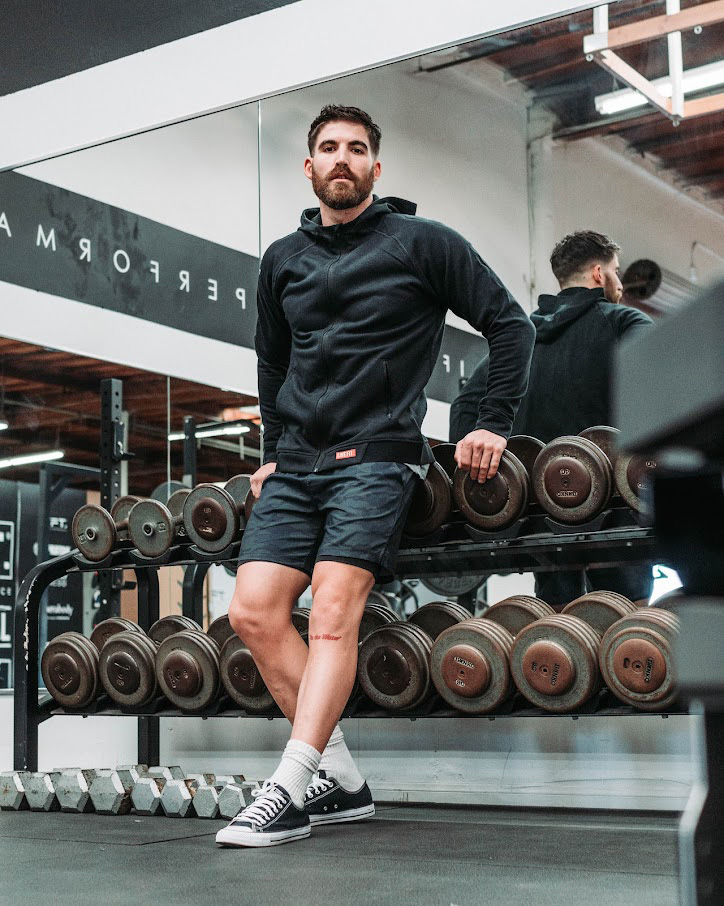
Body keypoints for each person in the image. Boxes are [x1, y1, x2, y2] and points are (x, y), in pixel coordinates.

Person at [216, 105, 535, 847]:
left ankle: (289, 786)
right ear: (309, 166)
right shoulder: (281, 258)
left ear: (375, 168)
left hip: (379, 455)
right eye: (328, 147)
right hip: (296, 466)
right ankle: (343, 779)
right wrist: (271, 448)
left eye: (356, 149)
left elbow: (509, 324)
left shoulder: (423, 243)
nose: (342, 159)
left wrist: (491, 421)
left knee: (331, 612)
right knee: (253, 613)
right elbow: (272, 360)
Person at [449, 230, 654, 608]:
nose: (620, 284)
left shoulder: (523, 336)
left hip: (544, 514)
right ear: (598, 274)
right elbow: (665, 381)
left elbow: (465, 406)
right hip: (617, 511)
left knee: (559, 627)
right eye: (617, 272)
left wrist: (473, 486)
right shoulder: (623, 322)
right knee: (629, 625)